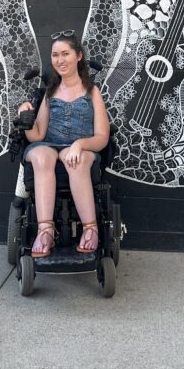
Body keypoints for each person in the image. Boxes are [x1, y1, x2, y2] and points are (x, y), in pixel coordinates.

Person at [18, 30, 110, 258]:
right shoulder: (50, 93)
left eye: (65, 54)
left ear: (78, 56)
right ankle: (45, 230)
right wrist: (25, 118)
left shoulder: (92, 92)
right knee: (41, 155)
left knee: (74, 160)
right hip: (50, 146)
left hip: (83, 148)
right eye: (55, 55)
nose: (60, 60)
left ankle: (91, 228)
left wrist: (79, 144)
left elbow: (102, 137)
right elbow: (37, 136)